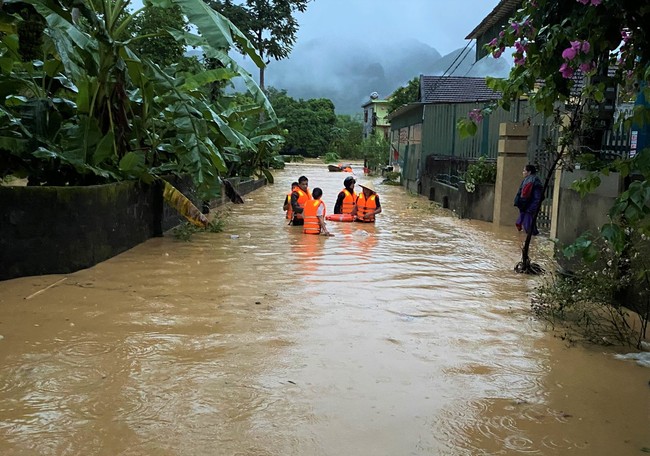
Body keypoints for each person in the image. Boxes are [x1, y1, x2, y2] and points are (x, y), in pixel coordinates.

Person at [514, 164, 544, 235]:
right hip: (526, 207)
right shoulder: (530, 180)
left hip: (528, 208)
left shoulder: (532, 181)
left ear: (529, 172)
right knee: (528, 228)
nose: (523, 172)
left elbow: (537, 197)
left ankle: (532, 243)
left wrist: (531, 208)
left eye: (524, 171)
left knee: (529, 229)